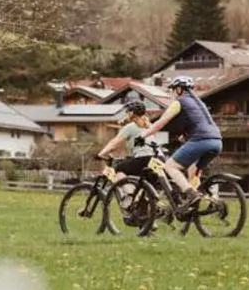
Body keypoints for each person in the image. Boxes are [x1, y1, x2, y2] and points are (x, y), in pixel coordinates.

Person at [142, 76, 221, 208]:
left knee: (170, 167)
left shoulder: (179, 102)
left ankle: (192, 195)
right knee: (193, 171)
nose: (173, 93)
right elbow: (195, 123)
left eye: (173, 89)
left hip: (200, 141)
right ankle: (203, 203)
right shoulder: (200, 103)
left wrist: (143, 135)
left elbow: (160, 123)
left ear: (179, 89)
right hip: (217, 142)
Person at [95, 98, 163, 178]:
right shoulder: (150, 126)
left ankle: (129, 191)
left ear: (131, 113)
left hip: (144, 159)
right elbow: (142, 145)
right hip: (158, 159)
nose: (126, 114)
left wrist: (100, 154)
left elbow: (114, 143)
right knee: (142, 182)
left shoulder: (130, 127)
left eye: (127, 112)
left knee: (117, 170)